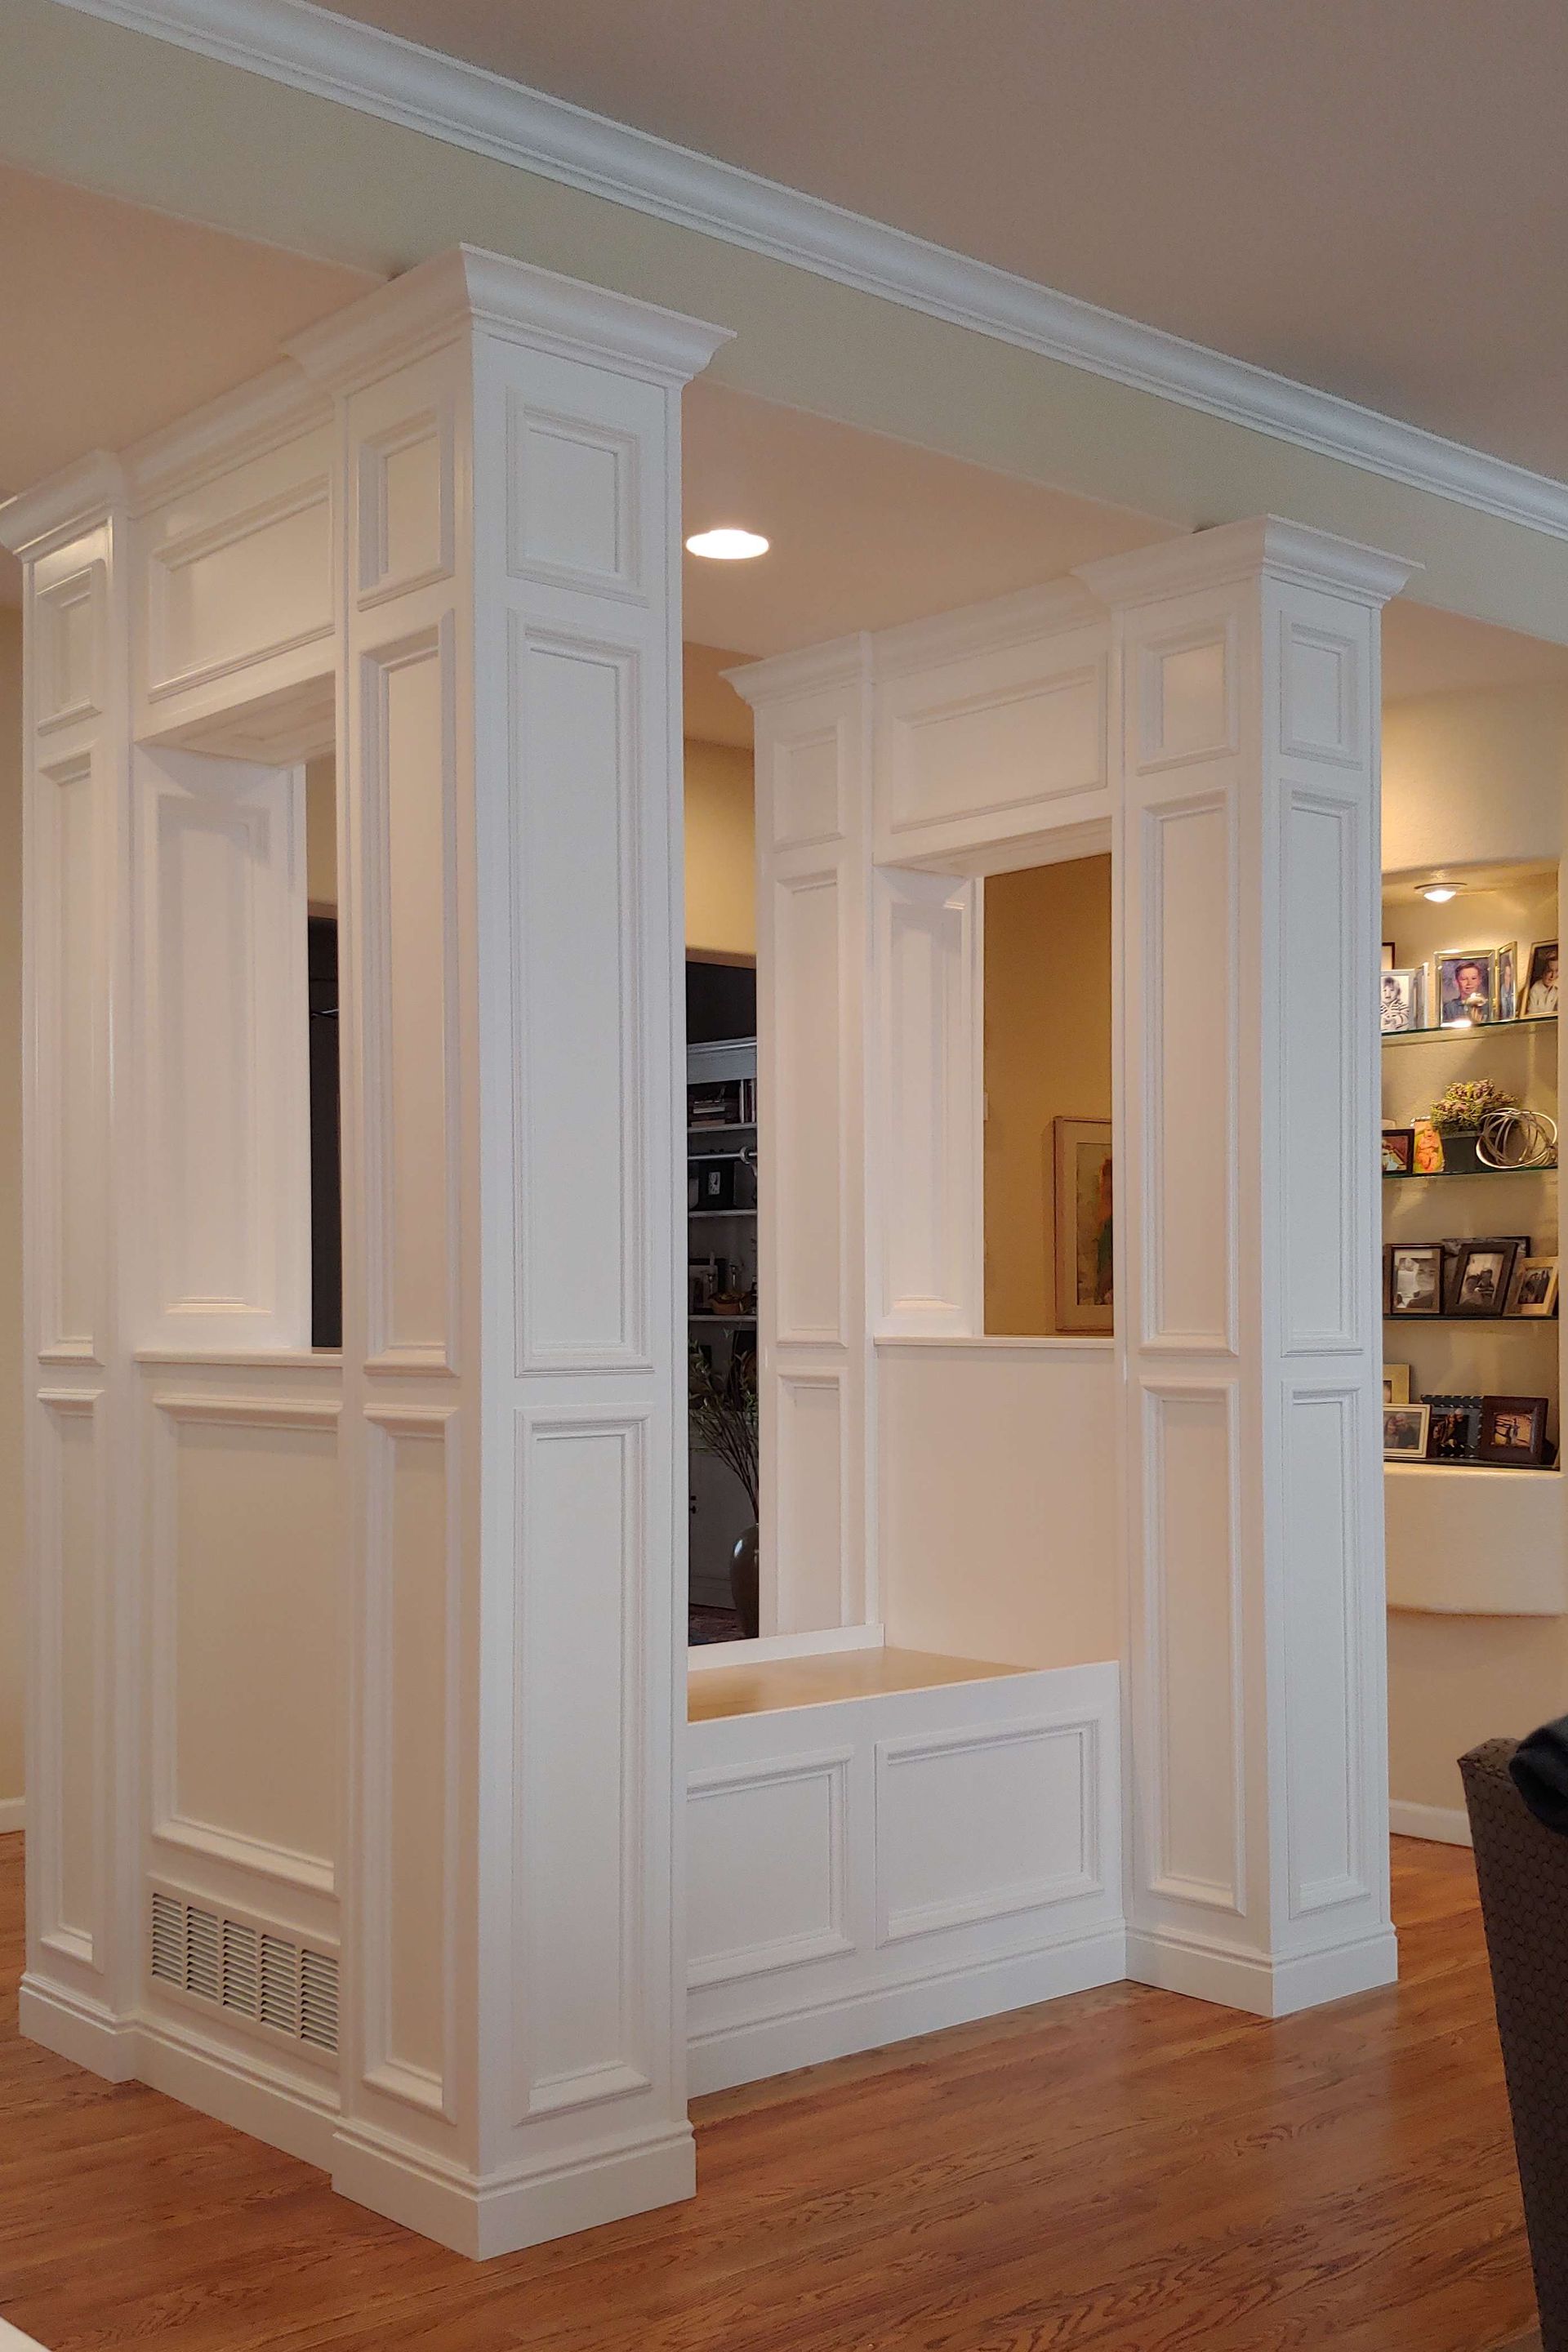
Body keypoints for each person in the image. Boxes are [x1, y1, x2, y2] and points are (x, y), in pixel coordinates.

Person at [1441, 957, 1490, 1025]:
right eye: (1464, 979)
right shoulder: (1449, 1008)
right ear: (1456, 982)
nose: (1469, 983)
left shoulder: (1488, 1007)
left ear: (1479, 980)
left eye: (1473, 978)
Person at [1525, 947, 1559, 1018]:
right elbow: (1531, 1016)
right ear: (1543, 971)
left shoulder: (1557, 989)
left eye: (1556, 971)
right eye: (1549, 971)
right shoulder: (1535, 990)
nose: (1553, 976)